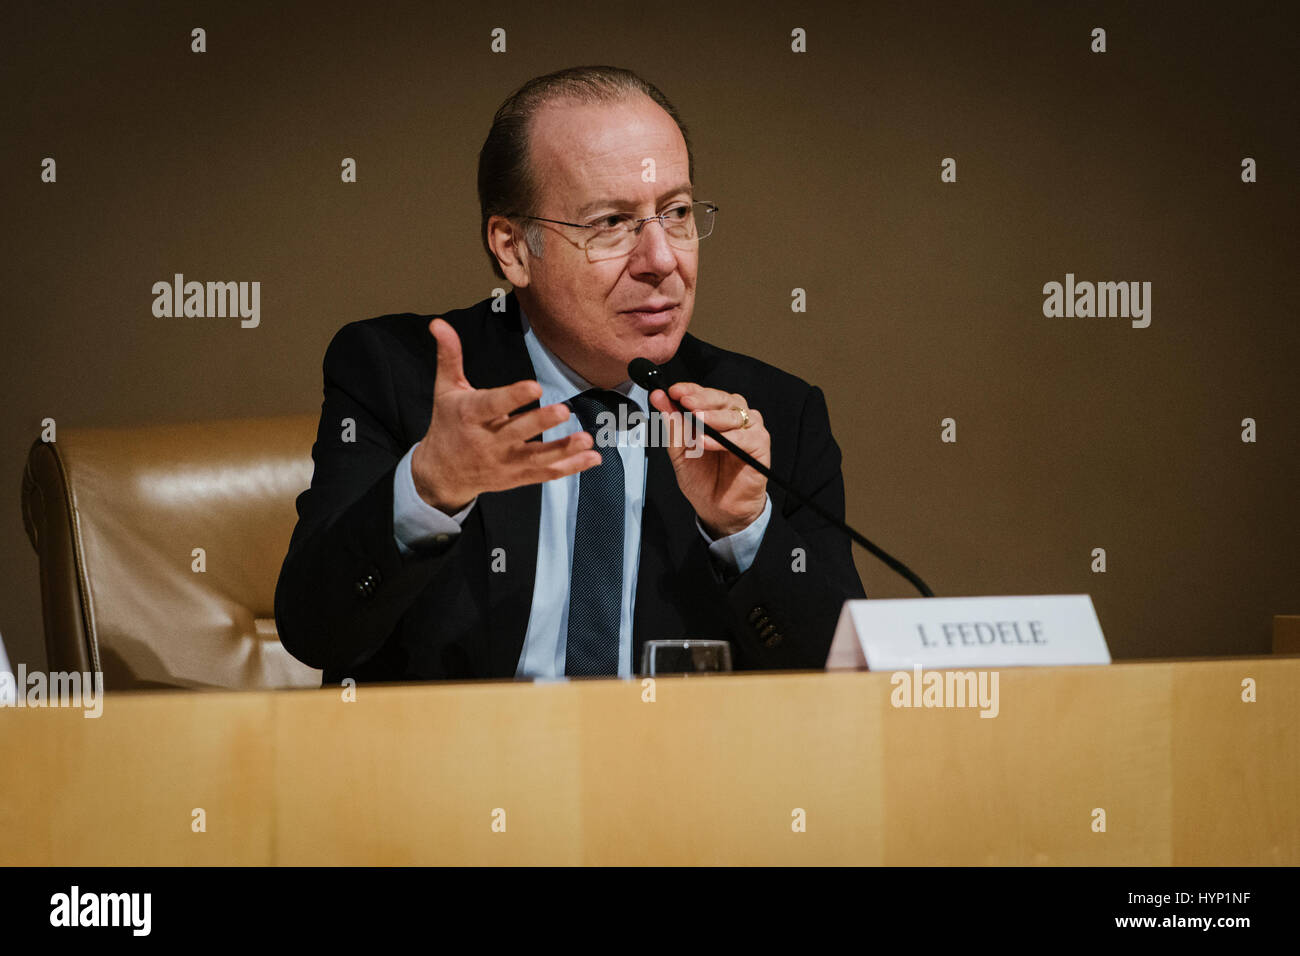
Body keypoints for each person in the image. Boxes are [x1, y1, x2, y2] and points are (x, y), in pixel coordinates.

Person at [274, 65, 865, 683]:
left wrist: (744, 530)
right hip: (457, 771)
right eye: (611, 223)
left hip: (677, 773)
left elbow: (841, 683)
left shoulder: (768, 415)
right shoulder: (398, 376)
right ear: (512, 248)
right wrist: (428, 491)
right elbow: (317, 633)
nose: (662, 260)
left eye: (678, 212)